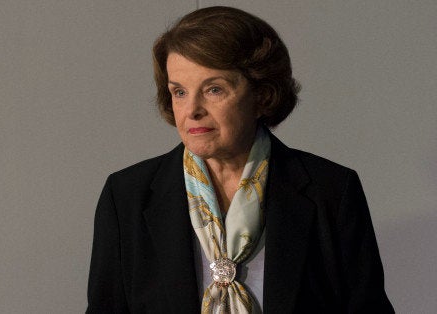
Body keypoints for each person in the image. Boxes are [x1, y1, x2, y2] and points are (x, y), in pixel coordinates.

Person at [87, 6, 393, 313]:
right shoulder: (126, 196)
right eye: (179, 92)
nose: (192, 109)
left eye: (214, 89)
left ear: (262, 95)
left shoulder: (331, 191)